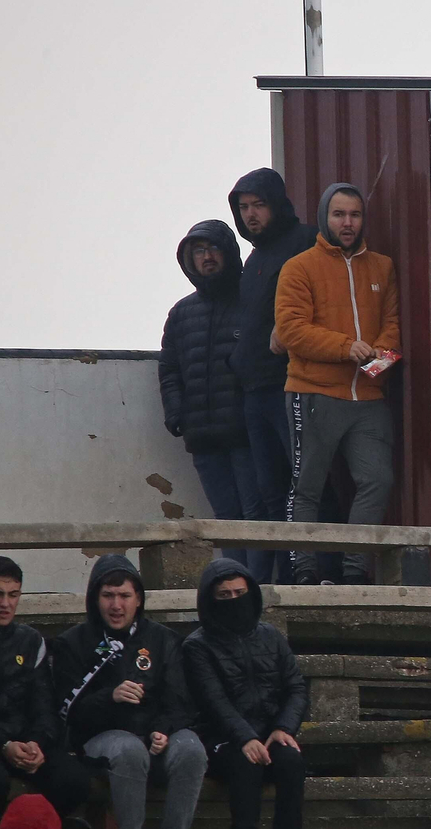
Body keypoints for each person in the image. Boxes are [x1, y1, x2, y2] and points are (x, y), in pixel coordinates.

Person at [275, 182, 402, 584]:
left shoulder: (382, 266)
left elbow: (393, 326)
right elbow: (291, 330)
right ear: (324, 217)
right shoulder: (299, 267)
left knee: (377, 479)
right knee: (307, 486)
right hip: (313, 393)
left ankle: (354, 572)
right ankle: (305, 574)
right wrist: (346, 348)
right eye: (339, 214)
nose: (348, 223)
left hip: (368, 398)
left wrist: (376, 367)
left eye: (355, 215)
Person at [52, 556, 206, 829]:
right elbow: (68, 712)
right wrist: (109, 697)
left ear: (138, 599)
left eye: (124, 596)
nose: (116, 605)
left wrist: (162, 729)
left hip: (157, 733)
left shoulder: (164, 640)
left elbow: (181, 700)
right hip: (101, 737)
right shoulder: (72, 643)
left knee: (192, 750)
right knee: (129, 749)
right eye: (108, 596)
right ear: (95, 598)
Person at [183, 559, 311, 829]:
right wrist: (245, 737)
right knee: (246, 762)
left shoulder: (271, 636)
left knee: (292, 761)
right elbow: (213, 701)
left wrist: (284, 728)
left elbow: (295, 687)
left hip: (269, 732)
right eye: (224, 595)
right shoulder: (197, 646)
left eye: (239, 592)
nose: (234, 599)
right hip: (219, 737)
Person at [159, 219, 268, 580]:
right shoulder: (180, 313)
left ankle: (258, 588)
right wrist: (177, 413)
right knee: (225, 518)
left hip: (246, 434)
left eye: (212, 249)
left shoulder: (249, 301)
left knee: (255, 515)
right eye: (198, 252)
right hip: (204, 438)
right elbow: (170, 370)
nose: (206, 258)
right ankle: (234, 586)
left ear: (229, 252)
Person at [0, 557, 92, 829]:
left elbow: (45, 708)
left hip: (21, 743)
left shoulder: (31, 642)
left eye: (13, 595)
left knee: (74, 780)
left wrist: (36, 743)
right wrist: (2, 744)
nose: (5, 604)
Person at [229, 167, 321, 582]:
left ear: (277, 204)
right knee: (270, 493)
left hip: (293, 386)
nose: (250, 215)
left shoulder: (305, 242)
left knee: (306, 484)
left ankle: (321, 572)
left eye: (258, 205)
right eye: (243, 208)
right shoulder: (253, 260)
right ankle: (286, 579)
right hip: (254, 391)